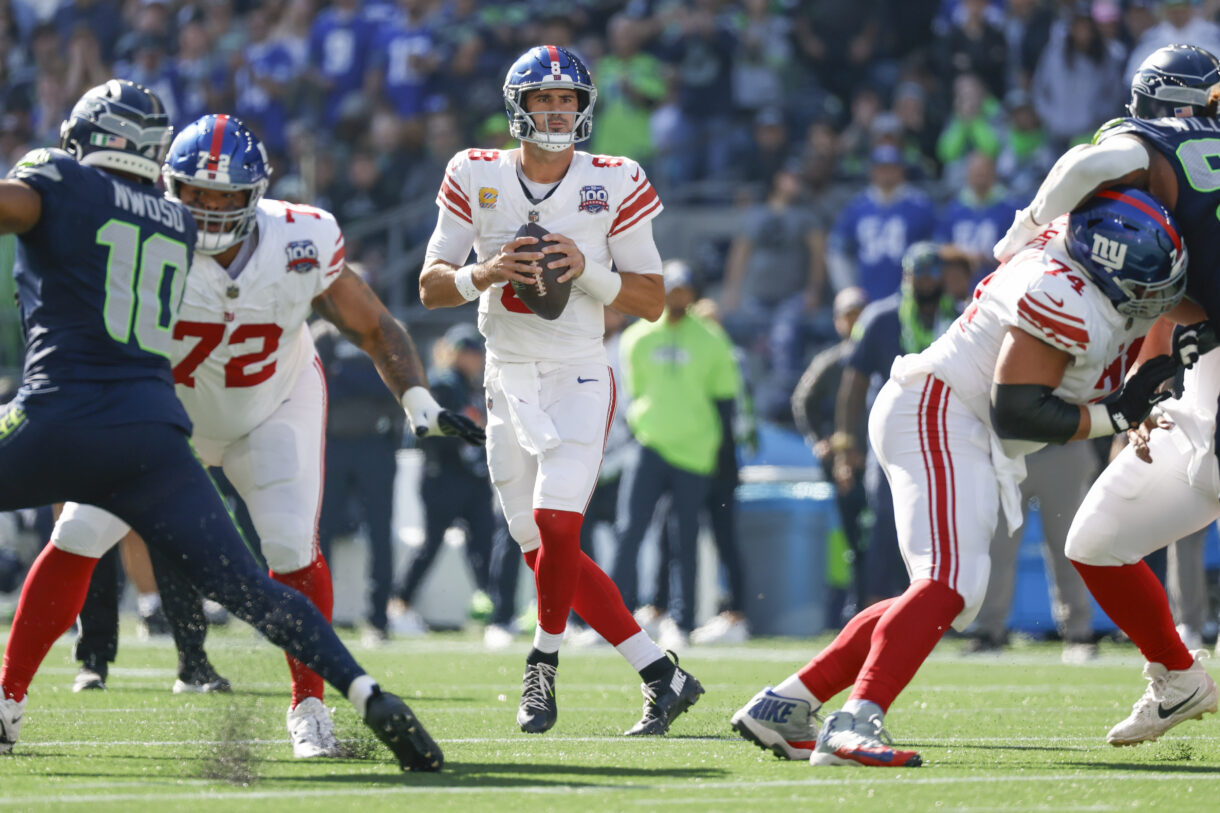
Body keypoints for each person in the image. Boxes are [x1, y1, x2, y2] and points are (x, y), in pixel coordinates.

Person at [0, 82, 474, 771]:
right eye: (197, 194)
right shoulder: (149, 222)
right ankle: (9, 697)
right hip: (165, 419)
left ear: (258, 194)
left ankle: (308, 705)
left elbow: (372, 323)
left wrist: (418, 400)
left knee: (286, 547)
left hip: (268, 405)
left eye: (228, 197)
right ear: (168, 181)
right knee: (78, 532)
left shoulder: (298, 236)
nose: (212, 209)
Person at [732, 186, 1189, 767]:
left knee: (955, 591)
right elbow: (1019, 410)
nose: (1152, 301)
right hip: (941, 410)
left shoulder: (1068, 253)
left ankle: (787, 703)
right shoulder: (1061, 294)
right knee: (950, 581)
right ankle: (854, 720)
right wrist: (1116, 415)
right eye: (1144, 286)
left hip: (959, 422)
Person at [417, 45, 703, 737]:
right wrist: (484, 272)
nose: (557, 109)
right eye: (544, 98)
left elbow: (651, 299)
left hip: (579, 370)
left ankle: (541, 667)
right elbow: (429, 286)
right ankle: (662, 675)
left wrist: (585, 269)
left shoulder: (615, 178)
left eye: (568, 98)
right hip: (505, 376)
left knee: (556, 524)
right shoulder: (474, 170)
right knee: (542, 547)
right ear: (518, 106)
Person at [995, 43, 1220, 747]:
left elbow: (1088, 165)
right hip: (1205, 373)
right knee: (1097, 541)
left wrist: (1024, 229)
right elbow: (1180, 304)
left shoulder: (1159, 143)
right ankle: (1178, 677)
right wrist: (1144, 394)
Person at [613, 260, 742, 649]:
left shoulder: (712, 338)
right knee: (630, 530)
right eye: (671, 288)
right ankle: (614, 617)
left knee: (684, 539)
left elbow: (724, 401)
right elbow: (635, 392)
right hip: (649, 444)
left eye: (684, 289)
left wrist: (722, 456)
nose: (677, 296)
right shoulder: (636, 337)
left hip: (695, 452)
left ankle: (681, 622)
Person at [388, 322, 494, 636]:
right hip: (442, 476)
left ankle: (492, 609)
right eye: (468, 352)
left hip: (471, 478)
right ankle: (399, 603)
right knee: (431, 544)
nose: (475, 358)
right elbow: (429, 430)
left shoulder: (474, 386)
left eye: (476, 352)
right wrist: (472, 430)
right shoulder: (440, 384)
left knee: (484, 544)